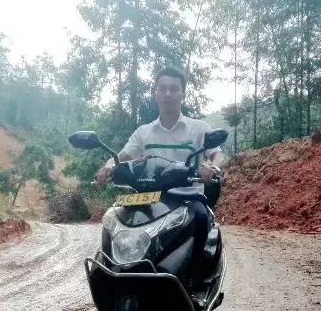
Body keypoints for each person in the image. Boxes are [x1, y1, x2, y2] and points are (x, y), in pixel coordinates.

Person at [95, 66, 225, 277]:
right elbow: (122, 156)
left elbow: (217, 154)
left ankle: (195, 280)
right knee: (116, 218)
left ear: (183, 93)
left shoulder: (199, 128)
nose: (167, 94)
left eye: (174, 89)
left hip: (186, 197)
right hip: (147, 198)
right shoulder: (143, 132)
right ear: (155, 93)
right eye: (162, 88)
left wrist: (213, 167)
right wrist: (108, 167)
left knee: (201, 217)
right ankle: (114, 273)